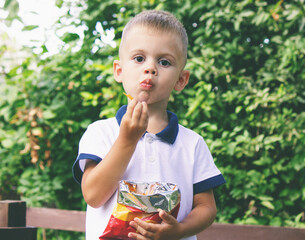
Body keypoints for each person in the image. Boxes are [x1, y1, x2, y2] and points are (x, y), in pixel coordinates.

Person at [72, 10, 225, 240]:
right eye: (139, 58)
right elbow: (93, 195)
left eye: (164, 62)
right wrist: (127, 140)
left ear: (181, 80)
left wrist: (180, 230)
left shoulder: (192, 144)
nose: (150, 68)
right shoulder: (100, 133)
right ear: (119, 71)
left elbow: (207, 207)